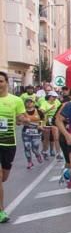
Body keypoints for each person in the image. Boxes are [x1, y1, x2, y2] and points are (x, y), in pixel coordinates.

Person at [0, 72, 27, 222]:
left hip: (8, 143)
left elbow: (22, 117)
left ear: (6, 83)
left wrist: (23, 119)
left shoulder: (16, 100)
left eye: (1, 81)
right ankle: (1, 211)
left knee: (4, 177)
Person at [21, 98, 44, 169]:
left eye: (30, 102)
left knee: (34, 148)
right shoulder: (22, 112)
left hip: (36, 132)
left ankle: (38, 155)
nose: (29, 103)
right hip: (26, 132)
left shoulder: (39, 111)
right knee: (27, 147)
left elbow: (43, 119)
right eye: (27, 102)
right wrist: (20, 121)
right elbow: (18, 122)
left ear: (33, 103)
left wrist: (40, 125)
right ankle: (29, 162)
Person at [44, 91, 62, 159]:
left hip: (55, 121)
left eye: (55, 97)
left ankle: (58, 153)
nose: (54, 98)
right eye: (53, 97)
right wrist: (49, 109)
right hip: (47, 121)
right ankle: (45, 151)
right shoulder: (44, 103)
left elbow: (61, 108)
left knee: (56, 138)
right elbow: (41, 112)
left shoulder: (57, 101)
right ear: (49, 96)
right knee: (46, 138)